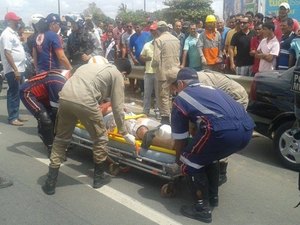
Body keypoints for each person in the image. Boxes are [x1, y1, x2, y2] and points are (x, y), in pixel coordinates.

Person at [169, 68, 254, 223]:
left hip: (223, 131)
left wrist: (179, 161)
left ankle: (201, 209)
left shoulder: (181, 98)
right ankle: (213, 197)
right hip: (247, 129)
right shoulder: (212, 88)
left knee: (189, 161)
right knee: (209, 156)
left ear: (180, 83)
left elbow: (180, 139)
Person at [42, 56, 136, 195]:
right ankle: (98, 177)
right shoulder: (116, 74)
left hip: (65, 97)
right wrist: (124, 132)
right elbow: (117, 107)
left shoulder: (86, 67)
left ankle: (50, 181)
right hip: (86, 101)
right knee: (100, 138)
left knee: (61, 139)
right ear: (124, 73)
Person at [19, 69, 71, 155]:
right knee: (46, 119)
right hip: (28, 93)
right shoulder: (58, 81)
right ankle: (51, 147)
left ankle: (50, 137)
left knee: (52, 117)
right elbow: (56, 110)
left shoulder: (65, 76)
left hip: (44, 94)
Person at [0, 12, 27, 126]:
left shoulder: (13, 33)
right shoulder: (6, 34)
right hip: (13, 69)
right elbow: (7, 52)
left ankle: (15, 115)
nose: (18, 22)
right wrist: (15, 69)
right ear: (9, 21)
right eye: (16, 20)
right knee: (13, 92)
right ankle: (12, 118)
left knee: (17, 92)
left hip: (19, 67)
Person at [152, 21, 180, 125]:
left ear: (158, 30)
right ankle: (174, 117)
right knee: (173, 96)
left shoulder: (158, 40)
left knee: (163, 96)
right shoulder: (176, 39)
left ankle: (165, 119)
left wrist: (153, 67)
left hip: (163, 73)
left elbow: (156, 60)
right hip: (175, 72)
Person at [139, 23, 159, 117]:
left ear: (157, 30)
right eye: (151, 30)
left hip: (158, 73)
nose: (152, 32)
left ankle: (158, 111)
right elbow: (141, 56)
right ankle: (145, 111)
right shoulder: (147, 44)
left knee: (158, 94)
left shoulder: (161, 44)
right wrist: (147, 58)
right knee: (147, 94)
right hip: (148, 72)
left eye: (154, 30)